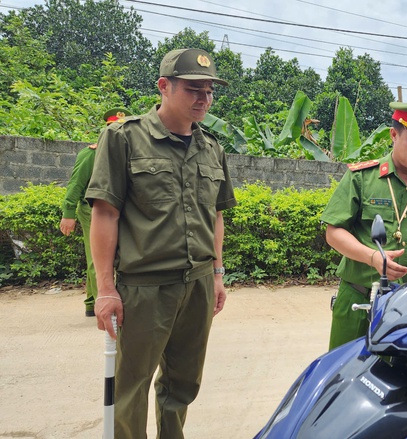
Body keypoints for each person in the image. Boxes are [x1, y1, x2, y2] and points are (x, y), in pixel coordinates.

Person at [85, 48, 237, 439]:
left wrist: (217, 274)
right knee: (131, 386)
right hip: (145, 287)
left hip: (198, 284)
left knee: (183, 383)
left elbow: (215, 216)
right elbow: (105, 213)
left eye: (209, 91)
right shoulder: (124, 138)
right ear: (164, 86)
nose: (204, 99)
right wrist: (105, 289)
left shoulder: (212, 148)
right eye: (193, 89)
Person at [321, 101, 407, 350]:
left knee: (396, 370)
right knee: (345, 365)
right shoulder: (362, 178)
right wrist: (372, 257)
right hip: (358, 296)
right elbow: (333, 232)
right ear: (394, 135)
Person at [59, 108, 130, 317]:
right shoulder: (91, 154)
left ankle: (91, 302)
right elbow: (75, 185)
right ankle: (103, 305)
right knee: (98, 258)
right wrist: (68, 213)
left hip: (120, 211)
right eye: (112, 129)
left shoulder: (129, 153)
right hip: (92, 210)